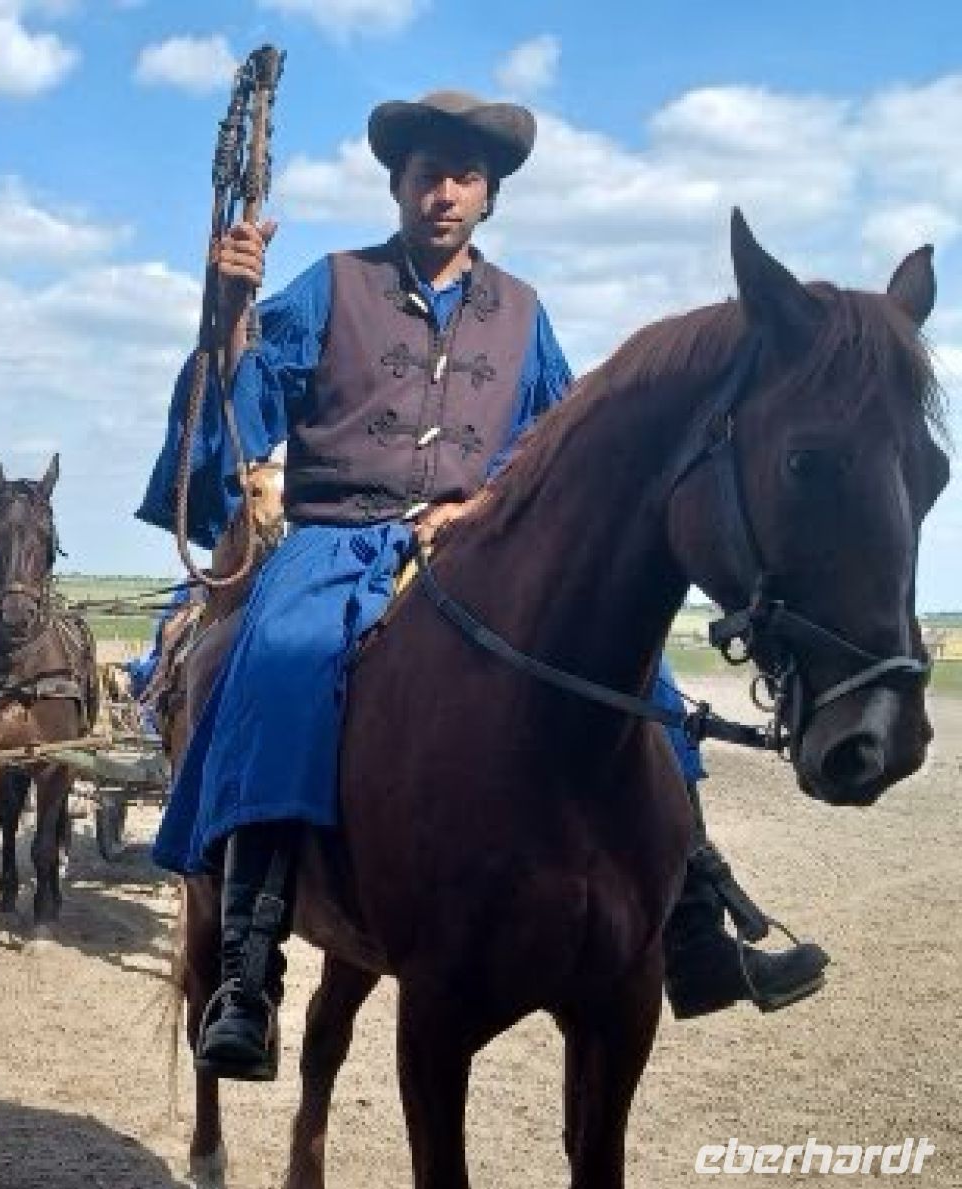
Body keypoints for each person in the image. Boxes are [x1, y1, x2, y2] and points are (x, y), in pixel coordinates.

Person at [136, 90, 828, 1082]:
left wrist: (484, 506)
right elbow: (247, 405)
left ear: (489, 196)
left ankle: (693, 918)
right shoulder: (332, 285)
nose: (443, 193)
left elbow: (564, 445)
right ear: (399, 185)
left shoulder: (525, 315)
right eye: (427, 175)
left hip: (478, 539)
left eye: (464, 177)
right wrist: (233, 309)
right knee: (276, 663)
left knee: (645, 688)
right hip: (337, 539)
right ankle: (247, 966)